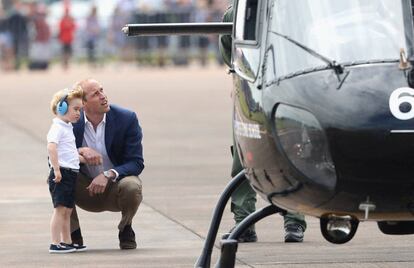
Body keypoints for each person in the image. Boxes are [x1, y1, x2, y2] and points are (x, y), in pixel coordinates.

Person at [219, 5, 307, 243]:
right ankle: (245, 223)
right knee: (243, 159)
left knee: (293, 155)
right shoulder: (237, 11)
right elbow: (230, 51)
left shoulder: (293, 9)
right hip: (252, 91)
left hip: (286, 90)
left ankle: (294, 221)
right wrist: (240, 76)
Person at [70, 78, 144, 250]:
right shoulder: (70, 122)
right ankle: (73, 234)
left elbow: (136, 162)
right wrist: (80, 150)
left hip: (115, 189)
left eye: (102, 90)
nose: (103, 96)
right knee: (55, 178)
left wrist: (108, 174)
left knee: (132, 185)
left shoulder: (126, 118)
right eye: (96, 94)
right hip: (84, 189)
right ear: (83, 103)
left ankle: (126, 228)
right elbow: (54, 160)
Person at [47, 86, 87, 253]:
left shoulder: (67, 127)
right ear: (61, 108)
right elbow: (51, 148)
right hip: (61, 173)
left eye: (80, 110)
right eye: (76, 109)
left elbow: (69, 151)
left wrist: (83, 159)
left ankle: (67, 241)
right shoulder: (57, 127)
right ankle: (55, 243)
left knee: (68, 210)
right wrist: (56, 169)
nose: (79, 113)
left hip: (70, 173)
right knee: (60, 209)